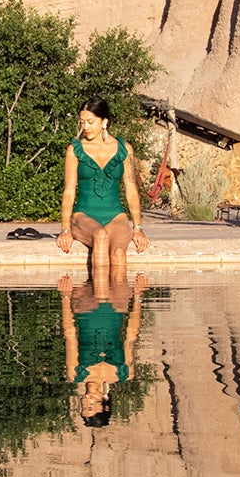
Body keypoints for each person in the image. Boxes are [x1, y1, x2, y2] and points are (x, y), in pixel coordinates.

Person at [56, 97, 148, 281]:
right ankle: (99, 296)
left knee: (119, 254)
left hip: (115, 216)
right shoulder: (75, 150)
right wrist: (65, 229)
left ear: (104, 122)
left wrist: (138, 228)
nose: (86, 127)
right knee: (100, 235)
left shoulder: (125, 149)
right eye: (82, 123)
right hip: (83, 216)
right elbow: (69, 191)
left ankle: (124, 304)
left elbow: (131, 189)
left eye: (90, 122)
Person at [59, 273, 147, 428]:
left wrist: (66, 297)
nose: (85, 401)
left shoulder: (76, 374)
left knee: (102, 261)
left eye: (83, 407)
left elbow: (70, 334)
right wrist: (138, 296)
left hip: (85, 308)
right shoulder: (125, 373)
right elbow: (131, 335)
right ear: (105, 405)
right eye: (90, 406)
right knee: (117, 258)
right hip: (116, 307)